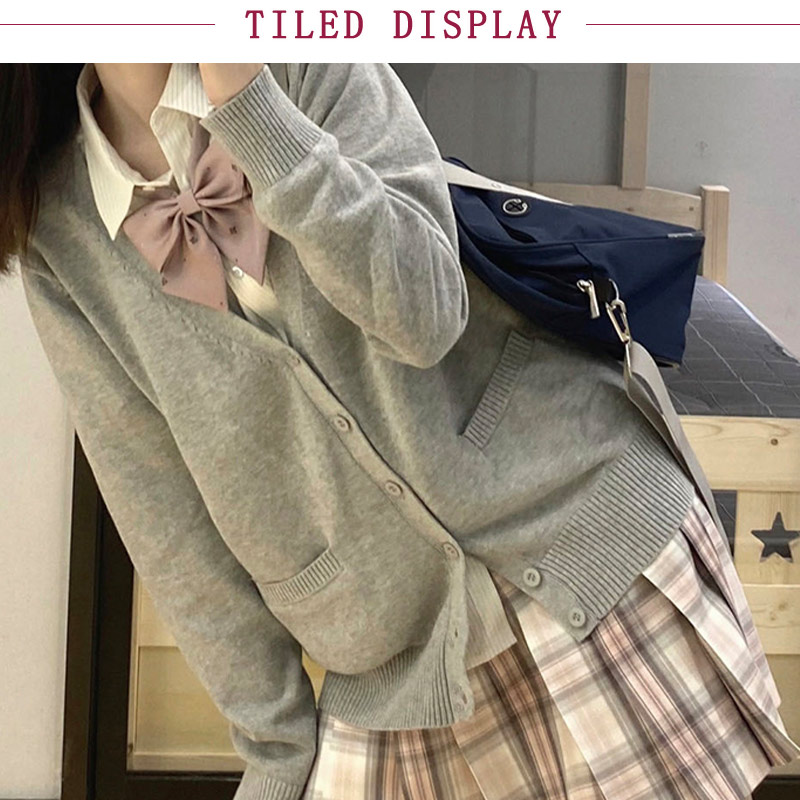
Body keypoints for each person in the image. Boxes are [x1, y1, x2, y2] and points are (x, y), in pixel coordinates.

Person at [2, 62, 798, 800]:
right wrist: (277, 747)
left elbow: (425, 315)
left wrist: (252, 108)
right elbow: (164, 518)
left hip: (586, 540)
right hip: (389, 663)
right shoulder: (57, 229)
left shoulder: (306, 60)